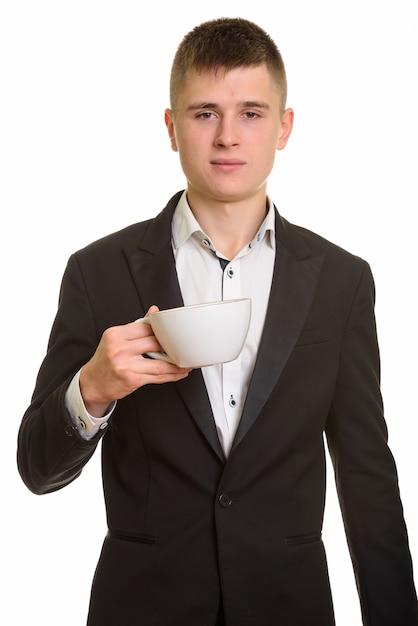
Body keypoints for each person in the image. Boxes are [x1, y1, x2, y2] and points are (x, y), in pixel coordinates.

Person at [17, 17, 418, 626]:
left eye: (252, 113)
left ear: (284, 128)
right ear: (172, 128)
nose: (228, 136)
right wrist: (93, 389)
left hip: (291, 607)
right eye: (205, 113)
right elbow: (36, 469)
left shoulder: (342, 280)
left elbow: (366, 471)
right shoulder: (99, 271)